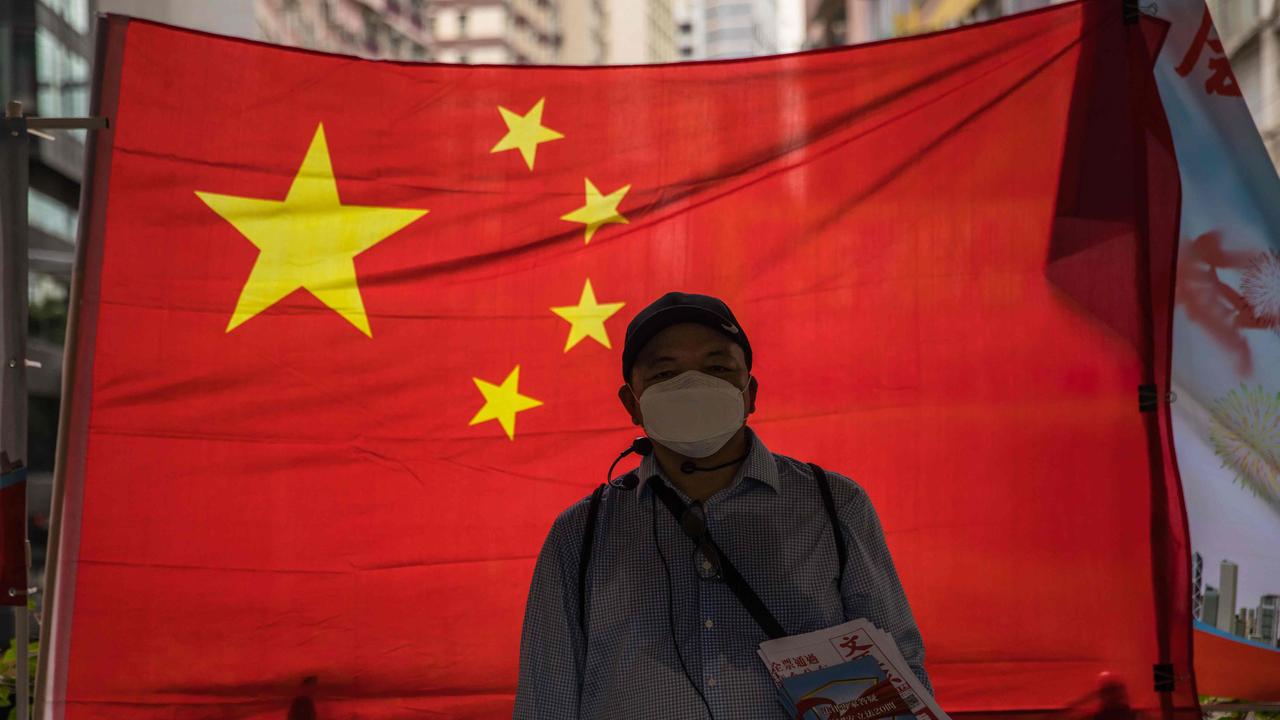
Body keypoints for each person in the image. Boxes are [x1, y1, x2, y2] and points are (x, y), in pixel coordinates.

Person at [513, 292, 930, 719]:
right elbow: (547, 697)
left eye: (717, 368)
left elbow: (900, 668)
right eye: (665, 373)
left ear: (750, 392)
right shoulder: (580, 534)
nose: (693, 386)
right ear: (631, 403)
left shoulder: (835, 504)